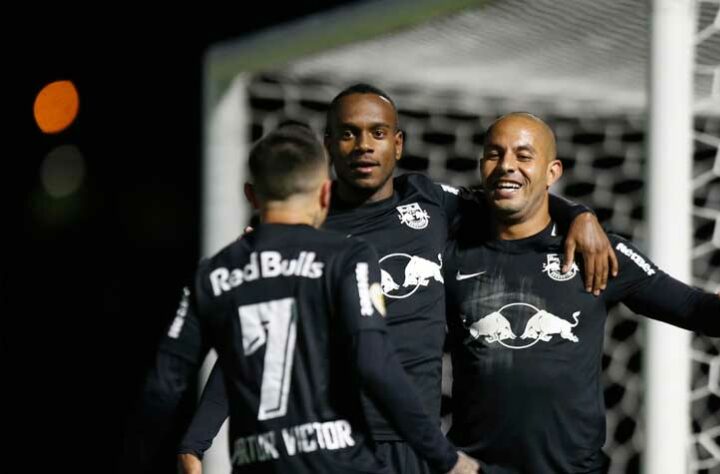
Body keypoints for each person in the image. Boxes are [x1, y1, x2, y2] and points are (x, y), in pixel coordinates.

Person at [178, 84, 618, 474]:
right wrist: (195, 442)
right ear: (328, 145)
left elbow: (515, 195)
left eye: (378, 133)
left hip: (412, 446)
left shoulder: (429, 202)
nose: (363, 145)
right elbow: (259, 334)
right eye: (348, 133)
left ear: (398, 143)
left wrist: (579, 214)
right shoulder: (305, 232)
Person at [121, 122, 480, 473]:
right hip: (339, 455)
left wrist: (187, 444)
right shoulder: (346, 258)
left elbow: (165, 386)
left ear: (251, 195)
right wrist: (445, 457)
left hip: (258, 458)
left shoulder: (211, 275)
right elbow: (375, 364)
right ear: (325, 193)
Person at [443, 113, 720, 473]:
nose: (507, 166)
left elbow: (692, 308)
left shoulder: (596, 253)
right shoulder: (451, 248)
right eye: (494, 154)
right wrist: (579, 211)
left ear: (552, 173)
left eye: (523, 156)